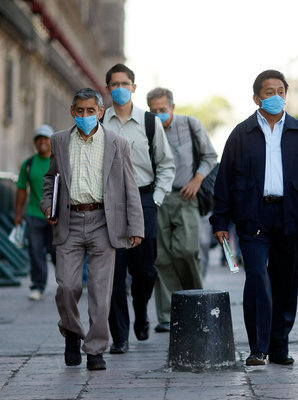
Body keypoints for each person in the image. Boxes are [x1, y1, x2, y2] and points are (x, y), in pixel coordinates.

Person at [210, 70, 298, 366]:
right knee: (257, 278)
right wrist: (221, 222)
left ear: (286, 95)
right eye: (268, 92)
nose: (275, 96)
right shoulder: (241, 133)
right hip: (253, 216)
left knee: (285, 283)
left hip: (290, 216)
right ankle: (258, 347)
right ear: (256, 98)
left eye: (280, 91)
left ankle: (280, 344)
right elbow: (224, 179)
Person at [40, 88, 144, 370]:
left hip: (104, 222)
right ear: (73, 111)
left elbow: (130, 187)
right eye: (80, 111)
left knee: (101, 291)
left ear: (100, 112)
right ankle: (72, 333)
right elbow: (51, 179)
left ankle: (96, 350)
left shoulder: (118, 143)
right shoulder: (59, 141)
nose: (85, 116)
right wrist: (47, 204)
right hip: (69, 221)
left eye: (91, 111)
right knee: (67, 287)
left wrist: (135, 226)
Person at [102, 64, 175, 354]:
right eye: (114, 84)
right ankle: (119, 335)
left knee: (145, 271)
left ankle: (142, 310)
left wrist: (156, 198)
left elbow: (166, 163)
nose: (119, 88)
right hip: (108, 203)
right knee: (112, 273)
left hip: (144, 200)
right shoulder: (99, 120)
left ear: (134, 87)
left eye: (125, 83)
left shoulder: (149, 122)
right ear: (107, 89)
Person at [146, 87, 218, 333]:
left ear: (172, 108)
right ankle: (167, 315)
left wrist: (197, 180)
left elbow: (210, 156)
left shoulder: (190, 124)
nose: (158, 115)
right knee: (162, 257)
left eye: (162, 110)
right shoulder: (148, 129)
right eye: (153, 111)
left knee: (187, 250)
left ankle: (197, 302)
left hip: (186, 195)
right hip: (159, 198)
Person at [14, 124, 56, 301]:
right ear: (35, 143)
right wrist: (18, 214)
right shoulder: (29, 164)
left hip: (56, 217)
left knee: (57, 252)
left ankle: (66, 284)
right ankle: (38, 286)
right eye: (39, 139)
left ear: (52, 142)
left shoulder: (58, 161)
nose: (42, 142)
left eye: (46, 139)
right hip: (34, 215)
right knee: (35, 251)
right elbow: (21, 189)